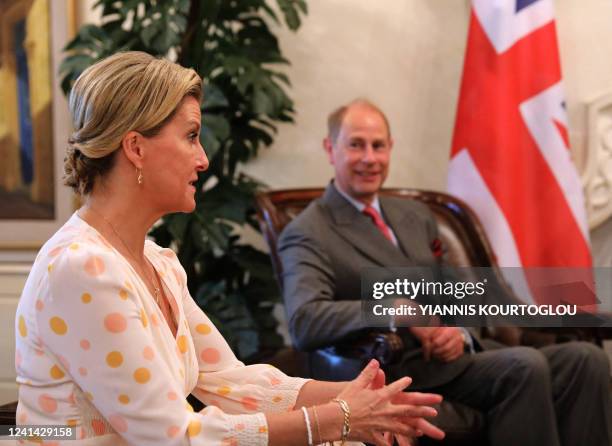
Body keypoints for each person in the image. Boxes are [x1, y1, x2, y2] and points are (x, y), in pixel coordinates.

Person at [14, 53, 445, 446]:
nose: (203, 159)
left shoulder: (157, 263)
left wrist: (360, 400)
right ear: (136, 148)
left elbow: (228, 379)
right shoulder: (81, 268)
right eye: (191, 136)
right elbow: (175, 437)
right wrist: (340, 418)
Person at [277, 99, 611, 446]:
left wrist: (457, 330)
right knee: (524, 366)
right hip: (402, 368)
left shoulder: (415, 215)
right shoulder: (309, 230)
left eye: (378, 146)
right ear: (331, 149)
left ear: (390, 148)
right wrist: (396, 309)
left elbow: (459, 293)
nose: (369, 158)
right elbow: (305, 319)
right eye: (356, 145)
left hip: (461, 357)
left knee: (585, 359)